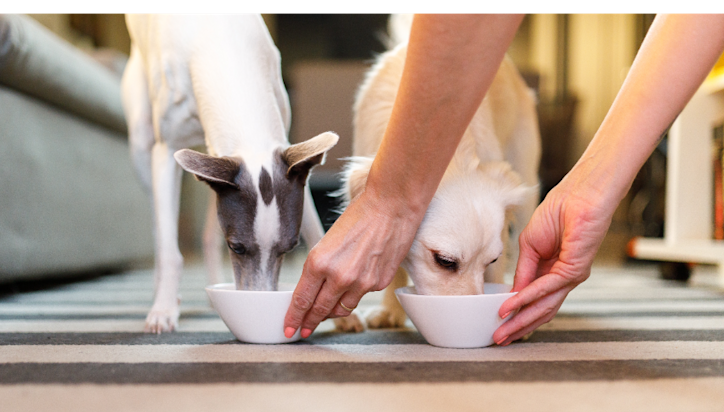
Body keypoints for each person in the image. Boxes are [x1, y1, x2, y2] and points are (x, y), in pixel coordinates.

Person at [283, 13, 724, 345]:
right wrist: (385, 201)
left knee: (515, 213)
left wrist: (588, 193)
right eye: (447, 262)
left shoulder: (494, 169)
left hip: (509, 108)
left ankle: (516, 293)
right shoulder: (371, 103)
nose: (471, 297)